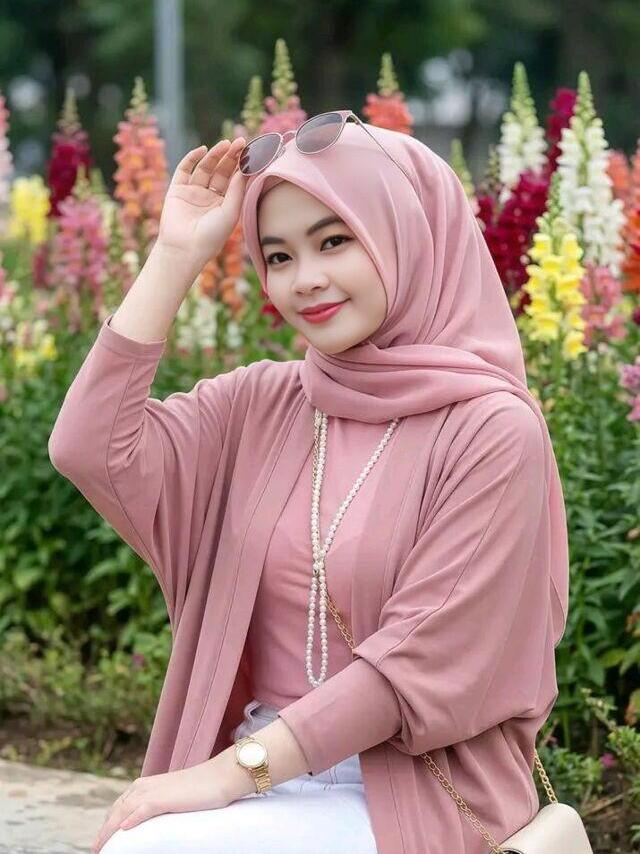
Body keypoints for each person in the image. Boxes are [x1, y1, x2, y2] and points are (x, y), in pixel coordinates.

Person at [48, 117, 570, 854]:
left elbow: (415, 665)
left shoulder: (492, 429)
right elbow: (88, 448)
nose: (305, 280)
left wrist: (226, 776)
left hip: (406, 792)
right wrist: (175, 255)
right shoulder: (262, 403)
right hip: (259, 777)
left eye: (334, 241)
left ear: (406, 235)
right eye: (278, 256)